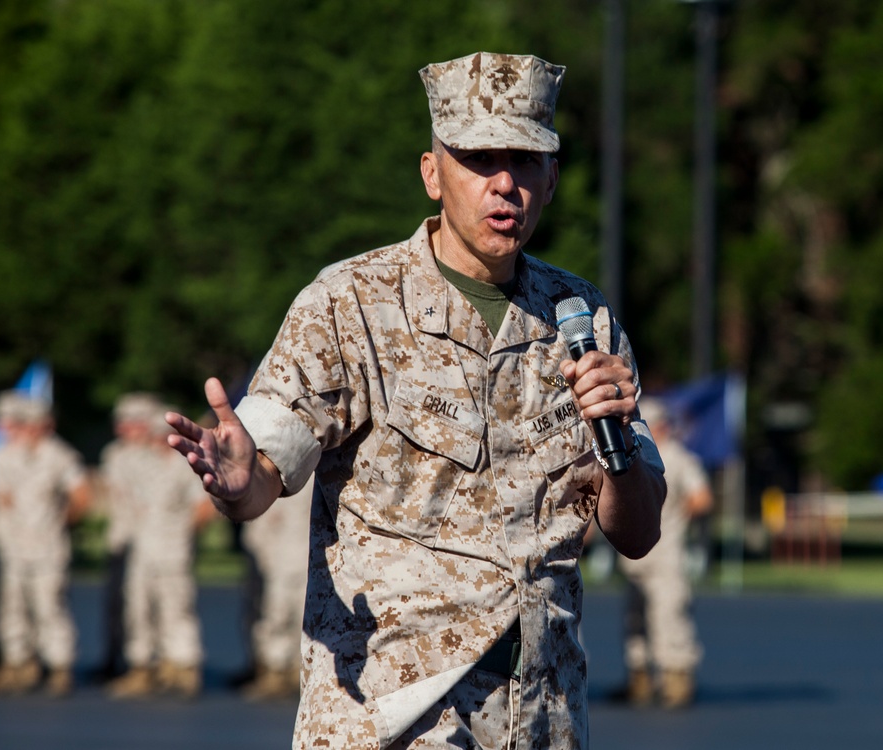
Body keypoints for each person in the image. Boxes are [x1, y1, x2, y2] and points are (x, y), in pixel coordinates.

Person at [167, 51, 666, 749]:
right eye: (478, 158)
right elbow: (262, 472)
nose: (504, 184)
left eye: (526, 162)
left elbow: (638, 534)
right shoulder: (350, 304)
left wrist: (618, 450)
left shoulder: (584, 318)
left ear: (551, 180)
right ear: (433, 174)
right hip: (395, 718)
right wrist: (234, 480)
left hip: (539, 715)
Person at [0, 391, 91, 698]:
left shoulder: (59, 455)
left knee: (49, 608)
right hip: (13, 546)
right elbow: (2, 498)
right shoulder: (2, 455)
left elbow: (81, 495)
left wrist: (60, 522)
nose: (27, 429)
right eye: (23, 423)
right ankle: (17, 665)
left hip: (47, 547)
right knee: (11, 609)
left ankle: (59, 668)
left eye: (34, 424)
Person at [106, 403, 216, 699]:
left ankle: (183, 667)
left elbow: (204, 507)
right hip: (142, 550)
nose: (157, 440)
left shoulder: (186, 466)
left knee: (176, 608)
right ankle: (142, 667)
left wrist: (183, 534)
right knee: (138, 610)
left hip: (173, 550)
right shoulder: (138, 463)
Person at [618, 397, 712, 709]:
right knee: (636, 618)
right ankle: (640, 680)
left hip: (668, 553)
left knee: (670, 615)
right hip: (636, 558)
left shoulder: (680, 459)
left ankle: (676, 680)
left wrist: (676, 517)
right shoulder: (634, 456)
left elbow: (702, 499)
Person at [93, 392, 161, 682]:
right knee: (116, 603)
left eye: (133, 422)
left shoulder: (160, 457)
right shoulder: (113, 455)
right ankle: (115, 656)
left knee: (150, 606)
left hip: (155, 545)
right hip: (121, 541)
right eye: (121, 422)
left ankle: (150, 663)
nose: (124, 428)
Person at [236, 475, 312, 700]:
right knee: (270, 613)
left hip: (302, 557)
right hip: (274, 558)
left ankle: (292, 670)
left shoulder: (310, 477)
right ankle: (273, 669)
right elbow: (258, 529)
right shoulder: (265, 479)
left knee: (299, 615)